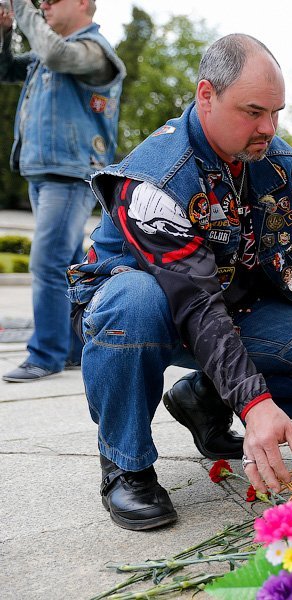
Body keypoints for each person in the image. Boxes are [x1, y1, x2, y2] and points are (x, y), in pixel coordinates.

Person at [66, 33, 292, 531]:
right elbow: (194, 305)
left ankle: (203, 400)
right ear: (206, 95)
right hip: (144, 312)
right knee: (134, 300)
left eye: (276, 112)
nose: (269, 128)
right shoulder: (154, 183)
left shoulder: (268, 155)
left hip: (233, 308)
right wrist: (257, 404)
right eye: (254, 111)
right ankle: (125, 466)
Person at [0, 0, 125, 382]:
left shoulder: (95, 52)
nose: (45, 4)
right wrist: (6, 32)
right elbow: (5, 70)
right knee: (70, 268)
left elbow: (55, 53)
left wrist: (20, 7)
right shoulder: (47, 55)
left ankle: (45, 355)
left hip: (71, 174)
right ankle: (72, 350)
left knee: (48, 262)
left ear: (84, 3)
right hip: (43, 172)